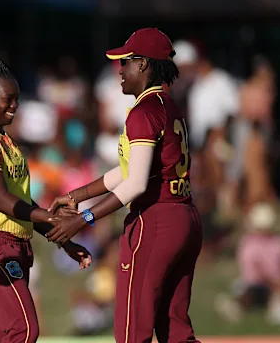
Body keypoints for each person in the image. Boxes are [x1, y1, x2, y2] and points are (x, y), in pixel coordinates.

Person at [46, 28, 202, 343]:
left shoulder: (143, 112)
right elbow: (131, 170)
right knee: (176, 330)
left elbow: (135, 184)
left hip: (154, 221)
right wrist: (78, 195)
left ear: (144, 64)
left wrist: (84, 218)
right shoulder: (168, 105)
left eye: (126, 61)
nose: (120, 69)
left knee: (132, 331)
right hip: (184, 216)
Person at [0, 58, 92, 343]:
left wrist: (63, 240)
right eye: (8, 99)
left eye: (17, 99)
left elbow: (22, 204)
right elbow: (2, 201)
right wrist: (53, 218)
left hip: (11, 244)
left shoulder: (5, 142)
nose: (15, 106)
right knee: (23, 329)